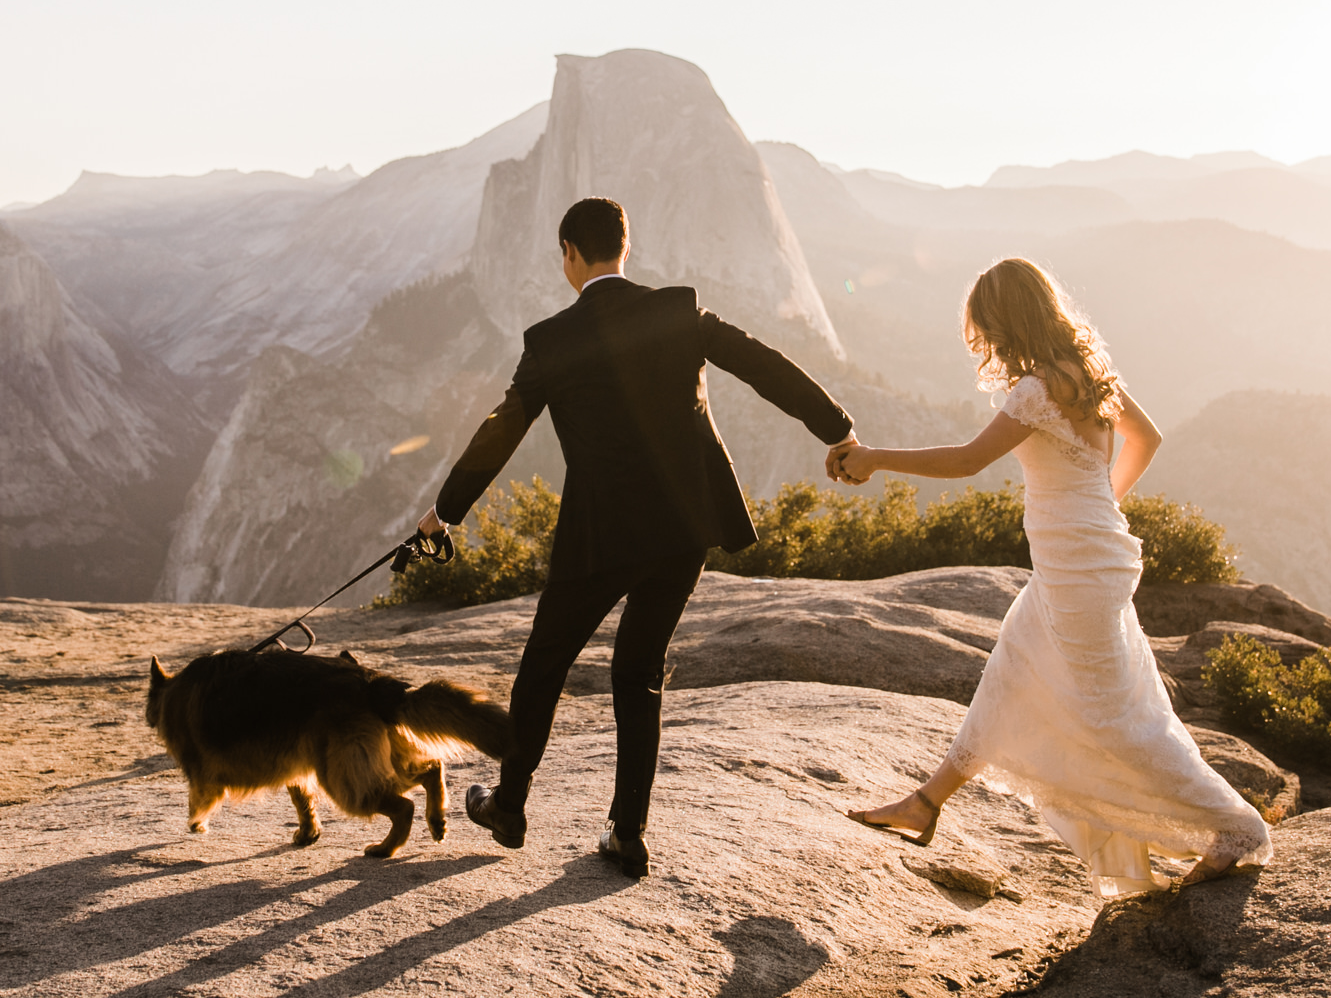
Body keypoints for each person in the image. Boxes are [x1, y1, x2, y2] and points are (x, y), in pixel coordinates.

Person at [419, 196, 858, 878]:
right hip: (683, 529)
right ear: (627, 246)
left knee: (544, 665)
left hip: (599, 534)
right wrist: (837, 428)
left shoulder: (551, 342)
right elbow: (763, 363)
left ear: (569, 253)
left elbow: (500, 430)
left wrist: (444, 513)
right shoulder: (678, 312)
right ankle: (627, 831)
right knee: (639, 670)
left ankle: (509, 803)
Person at [831, 257, 1270, 894]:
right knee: (1011, 673)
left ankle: (1236, 828)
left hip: (1079, 569)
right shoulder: (1090, 374)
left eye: (987, 327)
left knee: (1113, 717)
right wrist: (1100, 503)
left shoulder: (1035, 389)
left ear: (1006, 322)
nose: (987, 342)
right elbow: (1146, 439)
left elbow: (967, 461)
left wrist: (874, 459)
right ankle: (926, 802)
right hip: (1082, 560)